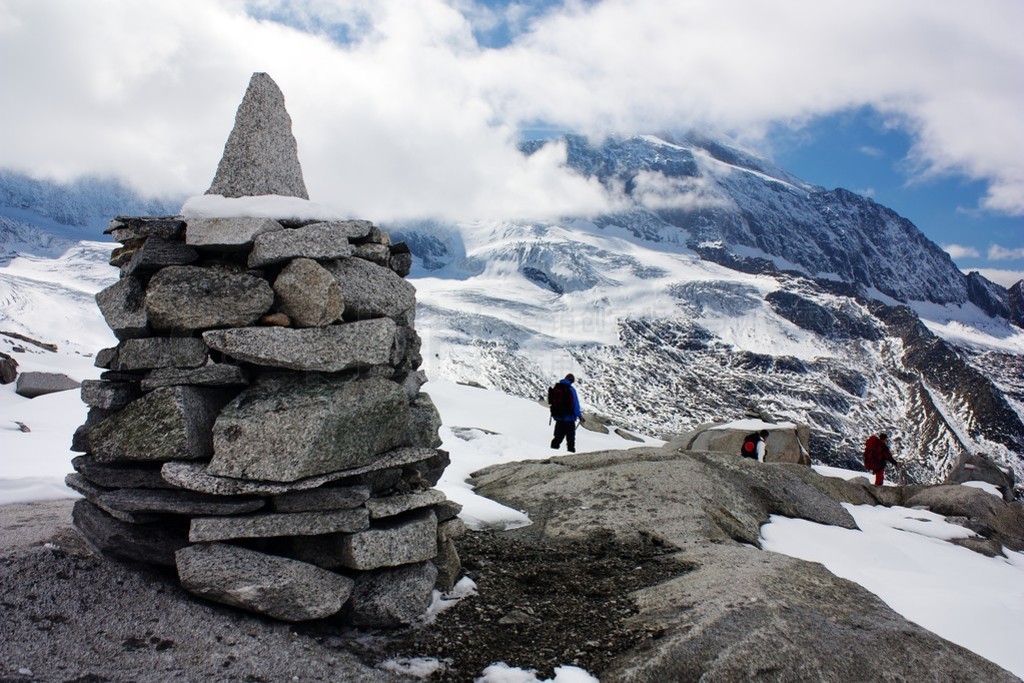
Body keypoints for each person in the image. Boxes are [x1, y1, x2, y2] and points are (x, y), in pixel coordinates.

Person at [550, 373, 585, 452]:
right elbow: (575, 405)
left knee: (557, 438)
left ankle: (552, 453)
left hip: (558, 418)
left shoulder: (557, 387)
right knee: (570, 439)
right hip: (569, 419)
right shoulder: (571, 389)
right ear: (572, 381)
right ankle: (571, 454)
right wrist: (580, 416)